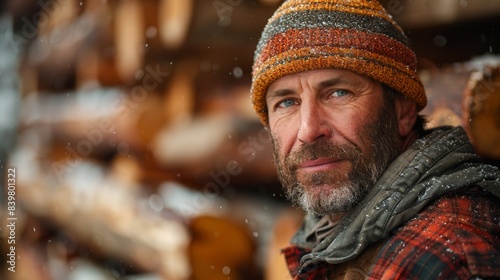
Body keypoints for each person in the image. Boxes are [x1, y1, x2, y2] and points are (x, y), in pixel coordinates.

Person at [250, 0, 500, 279]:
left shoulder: (440, 257)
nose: (308, 130)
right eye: (286, 103)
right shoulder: (335, 237)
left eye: (338, 93)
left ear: (403, 111)